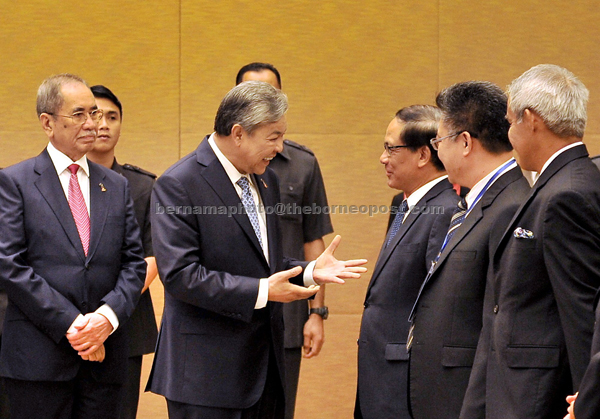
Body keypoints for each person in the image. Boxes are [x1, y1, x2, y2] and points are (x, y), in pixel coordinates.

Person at [146, 80, 367, 419]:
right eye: (273, 136)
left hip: (265, 370)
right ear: (238, 133)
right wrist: (264, 290)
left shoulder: (266, 179)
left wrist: (308, 270)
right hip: (206, 377)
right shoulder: (179, 183)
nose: (279, 148)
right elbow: (180, 276)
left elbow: (264, 259)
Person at [0, 74, 146, 419]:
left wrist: (105, 320)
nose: (92, 123)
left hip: (105, 360)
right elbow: (10, 264)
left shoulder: (117, 186)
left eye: (93, 113)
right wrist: (75, 326)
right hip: (39, 362)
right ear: (47, 123)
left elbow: (133, 264)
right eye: (78, 114)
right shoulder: (15, 182)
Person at [461, 64, 600, 419]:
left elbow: (582, 309)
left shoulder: (566, 194)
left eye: (510, 122)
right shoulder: (560, 182)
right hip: (515, 386)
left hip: (537, 395)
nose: (509, 134)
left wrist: (588, 398)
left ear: (531, 119)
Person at [407, 81, 530, 419]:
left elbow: (501, 323)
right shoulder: (476, 202)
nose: (437, 152)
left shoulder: (512, 207)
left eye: (438, 141)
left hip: (467, 398)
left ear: (464, 142)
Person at [236, 62, 333, 419]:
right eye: (251, 94)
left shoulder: (302, 164)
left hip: (287, 319)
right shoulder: (217, 165)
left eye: (271, 94)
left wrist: (317, 313)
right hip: (233, 315)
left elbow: (313, 242)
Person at [355, 105, 458, 419]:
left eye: (391, 148)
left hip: (405, 380)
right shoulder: (402, 203)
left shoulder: (446, 210)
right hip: (379, 372)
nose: (383, 158)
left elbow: (436, 306)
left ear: (423, 155)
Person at [87, 84, 159, 419]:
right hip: (66, 324)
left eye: (112, 117)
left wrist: (107, 312)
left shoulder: (143, 186)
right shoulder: (49, 183)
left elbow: (152, 259)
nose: (103, 124)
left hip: (125, 323)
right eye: (94, 115)